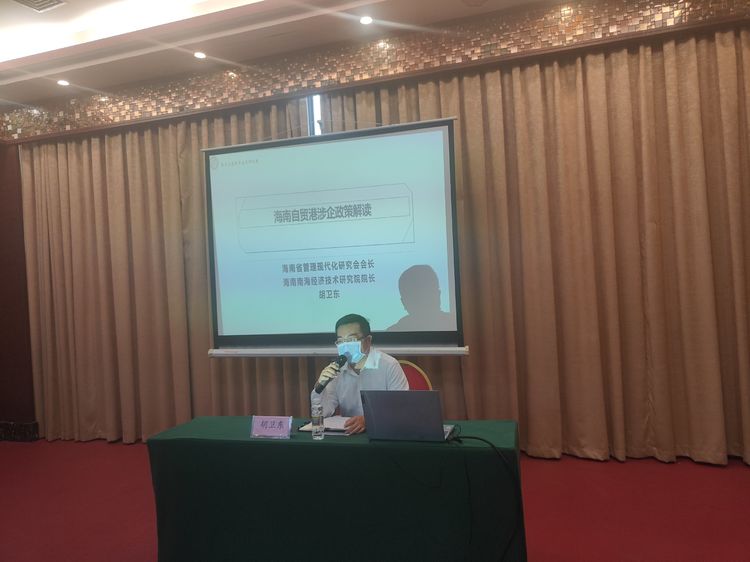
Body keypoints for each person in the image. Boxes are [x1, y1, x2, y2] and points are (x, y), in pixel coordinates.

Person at [312, 313, 408, 434]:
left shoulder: (389, 365)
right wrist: (319, 387)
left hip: (384, 432)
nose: (345, 346)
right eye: (341, 341)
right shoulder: (337, 369)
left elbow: (402, 409)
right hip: (349, 434)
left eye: (351, 340)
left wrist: (369, 419)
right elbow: (323, 413)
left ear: (368, 341)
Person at [387, 264, 453, 331]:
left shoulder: (392, 332)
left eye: (426, 294)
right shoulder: (453, 323)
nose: (423, 302)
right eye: (417, 297)